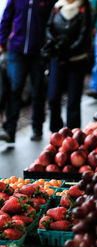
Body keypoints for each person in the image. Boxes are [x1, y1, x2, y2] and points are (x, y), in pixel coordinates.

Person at [0, 0, 55, 143]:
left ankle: (37, 127)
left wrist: (48, 46)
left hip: (38, 52)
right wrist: (1, 41)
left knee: (37, 90)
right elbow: (6, 18)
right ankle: (9, 130)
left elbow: (51, 23)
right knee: (15, 88)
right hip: (16, 50)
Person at [43, 0, 91, 132]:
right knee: (53, 97)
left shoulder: (83, 8)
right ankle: (55, 132)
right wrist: (55, 45)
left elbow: (85, 33)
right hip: (57, 60)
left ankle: (72, 134)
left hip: (76, 60)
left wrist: (69, 49)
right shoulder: (57, 7)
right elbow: (48, 27)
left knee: (73, 100)